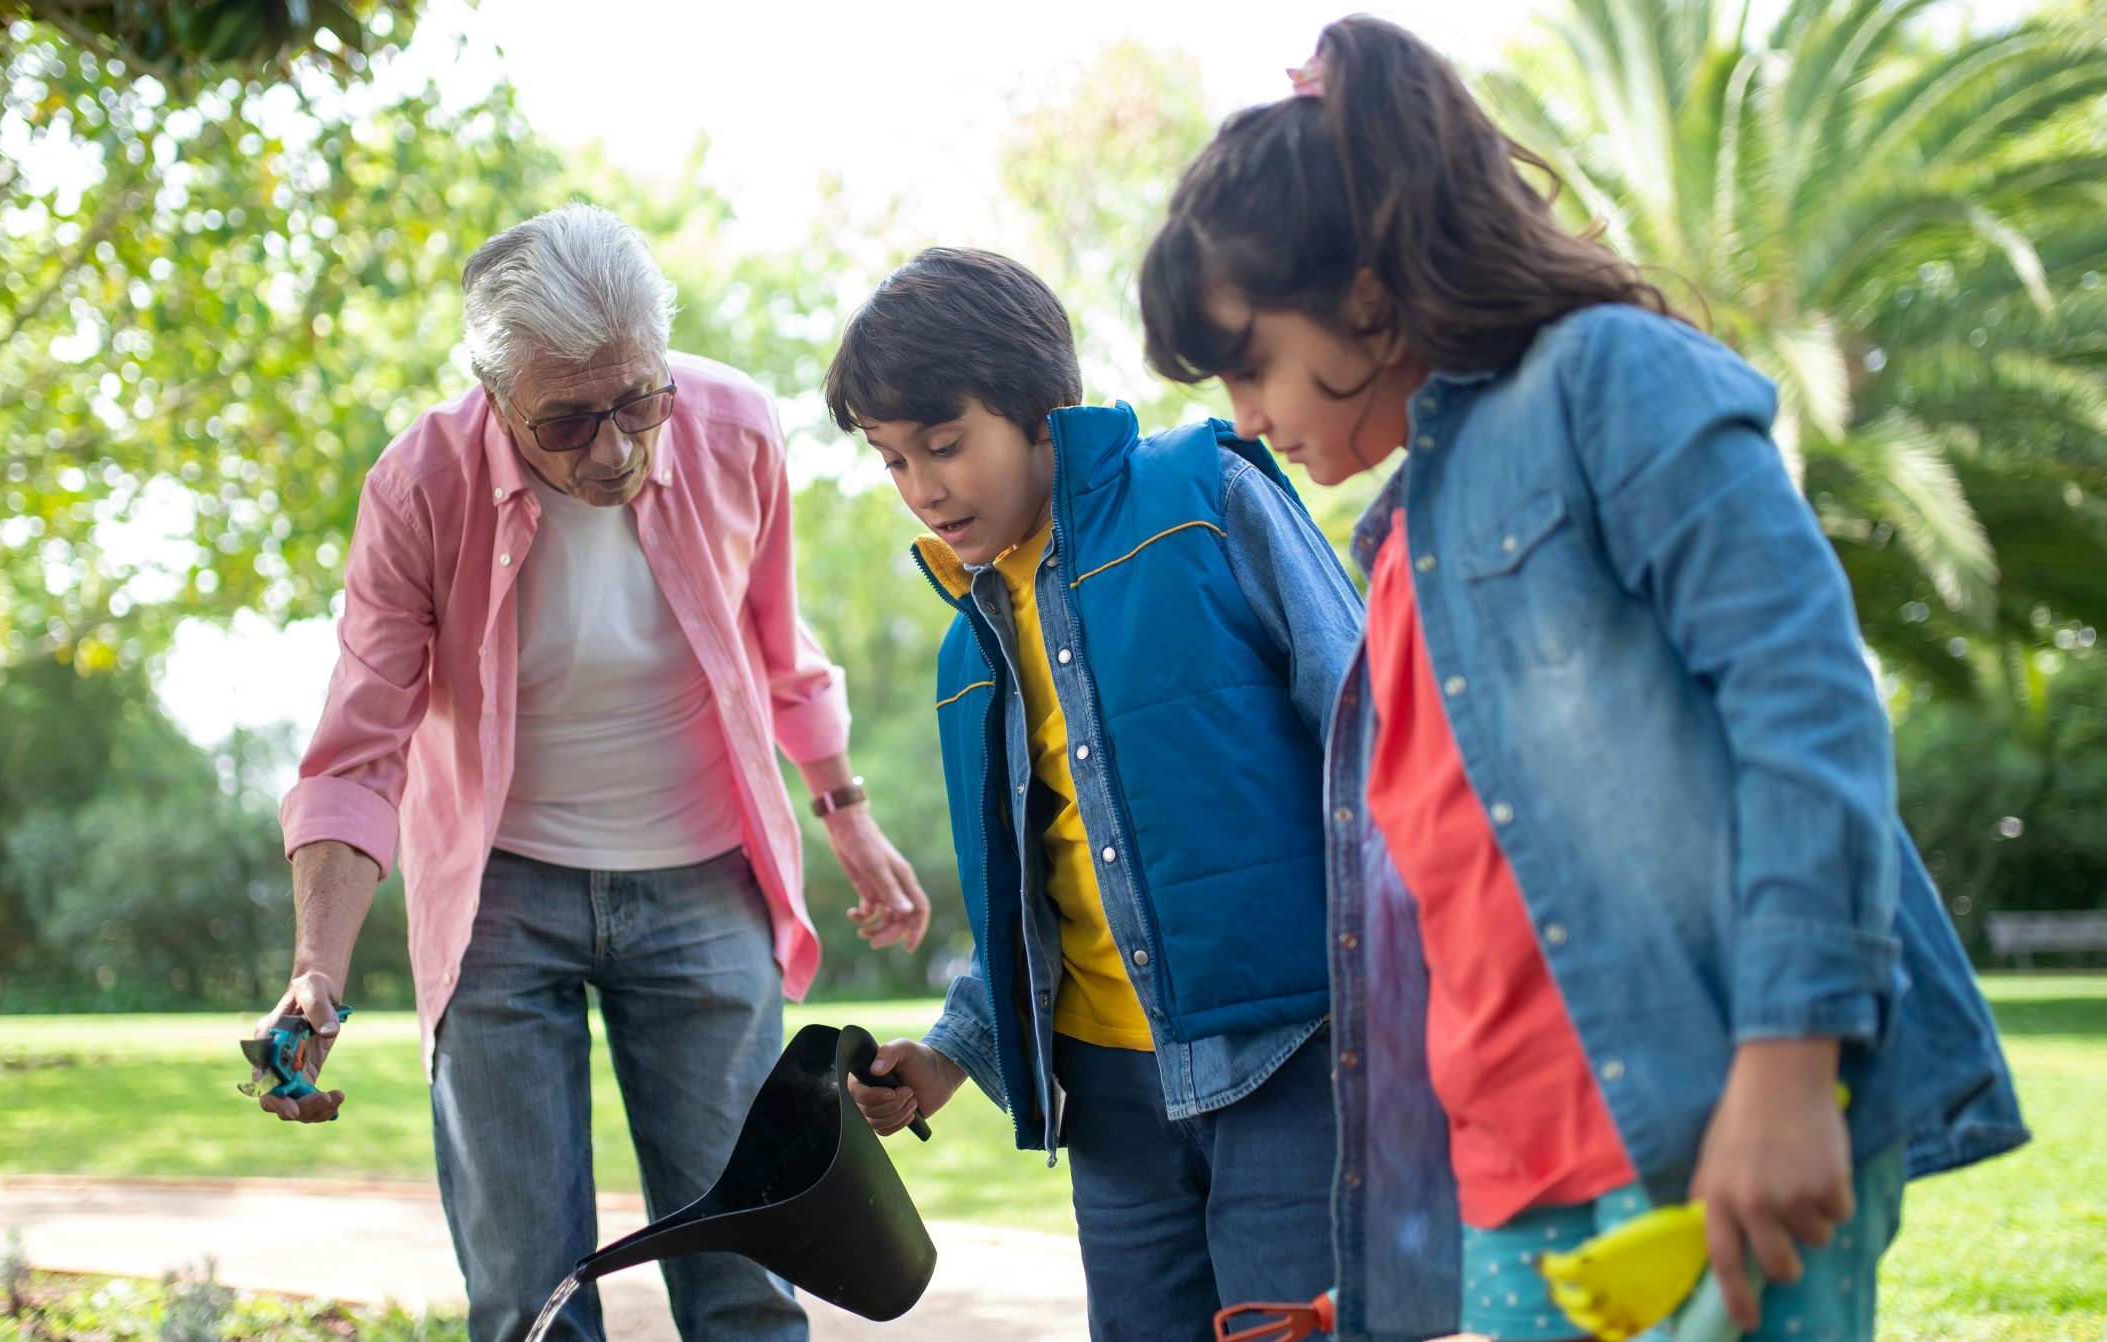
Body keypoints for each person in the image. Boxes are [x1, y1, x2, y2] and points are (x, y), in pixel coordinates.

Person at [1136, 18, 2028, 1342]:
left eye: (1249, 360)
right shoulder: (1393, 550)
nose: (1247, 417)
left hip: (1711, 1133)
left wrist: (1785, 1064)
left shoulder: (1609, 377)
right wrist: (1376, 1288)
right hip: (1517, 1198)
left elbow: (1806, 703)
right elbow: (1450, 914)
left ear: (1367, 295)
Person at [259, 204, 931, 1342]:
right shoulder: (420, 485)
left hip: (704, 878)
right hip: (501, 895)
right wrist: (316, 967)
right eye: (567, 422)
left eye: (635, 401)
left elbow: (779, 645)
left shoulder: (731, 429)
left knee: (751, 1269)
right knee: (529, 1291)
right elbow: (360, 744)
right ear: (494, 394)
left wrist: (846, 812)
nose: (614, 450)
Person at [826, 247, 1364, 1341]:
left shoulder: (1200, 496)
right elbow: (1040, 897)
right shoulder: (965, 655)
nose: (922, 488)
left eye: (943, 445)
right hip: (1110, 1107)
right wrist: (945, 1058)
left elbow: (1372, 730)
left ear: (1036, 411)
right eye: (891, 461)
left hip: (1288, 1060)